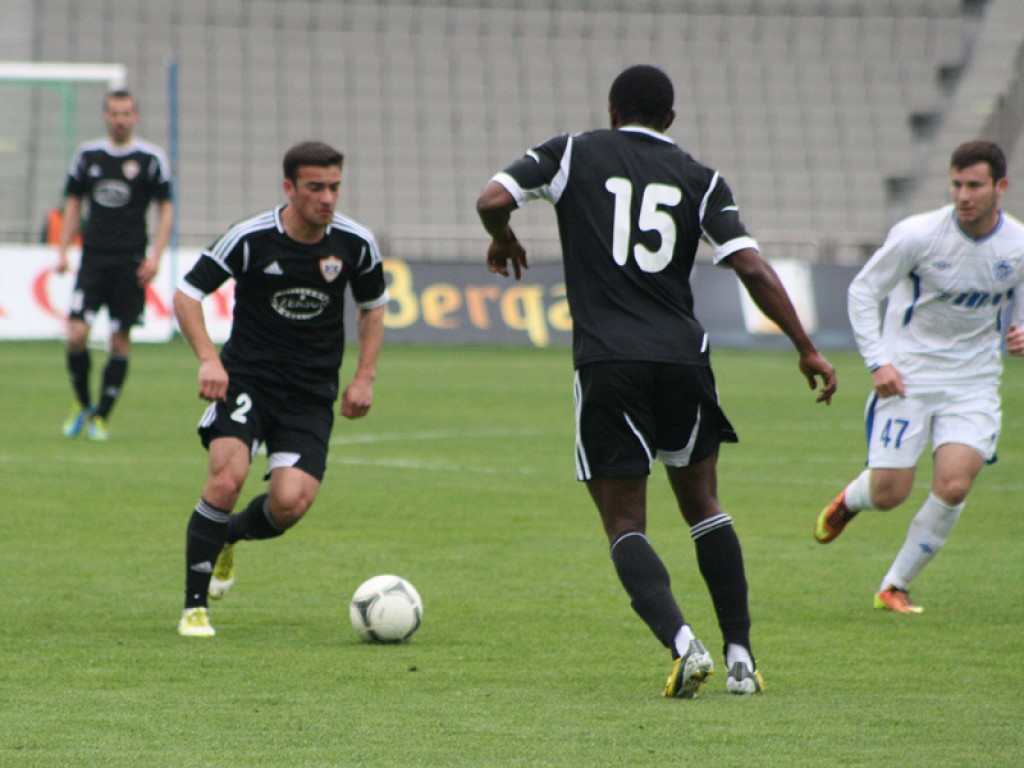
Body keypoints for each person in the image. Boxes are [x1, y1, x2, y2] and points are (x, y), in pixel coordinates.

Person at [476, 65, 837, 697]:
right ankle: (741, 657)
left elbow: (491, 200)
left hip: (609, 361)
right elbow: (751, 266)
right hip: (683, 360)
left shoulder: (572, 152)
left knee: (624, 520)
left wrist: (503, 238)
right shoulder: (701, 178)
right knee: (704, 505)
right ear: (670, 119)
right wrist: (806, 348)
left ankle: (683, 642)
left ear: (612, 111)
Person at [173, 141, 387, 637]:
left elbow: (373, 306)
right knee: (227, 479)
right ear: (289, 188)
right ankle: (194, 608)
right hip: (246, 382)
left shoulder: (355, 243)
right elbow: (187, 294)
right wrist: (208, 358)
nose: (327, 198)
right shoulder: (251, 238)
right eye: (315, 187)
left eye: (334, 187)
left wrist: (364, 376)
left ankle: (226, 536)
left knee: (290, 503)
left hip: (310, 394)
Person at [814, 140, 1024, 613]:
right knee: (890, 493)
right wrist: (878, 362)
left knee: (954, 485)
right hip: (908, 378)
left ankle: (894, 585)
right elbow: (863, 291)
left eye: (975, 185)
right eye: (957, 184)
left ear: (1000, 187)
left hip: (973, 382)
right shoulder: (917, 235)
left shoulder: (1018, 245)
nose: (964, 195)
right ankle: (851, 500)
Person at [55, 89, 174, 441]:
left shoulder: (151, 158)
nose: (120, 120)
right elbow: (73, 203)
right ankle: (82, 403)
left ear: (135, 116)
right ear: (105, 116)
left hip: (130, 263)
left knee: (120, 340)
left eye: (126, 113)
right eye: (114, 113)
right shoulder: (88, 155)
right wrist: (62, 249)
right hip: (93, 260)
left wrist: (156, 256)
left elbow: (165, 209)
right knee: (76, 334)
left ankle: (101, 417)